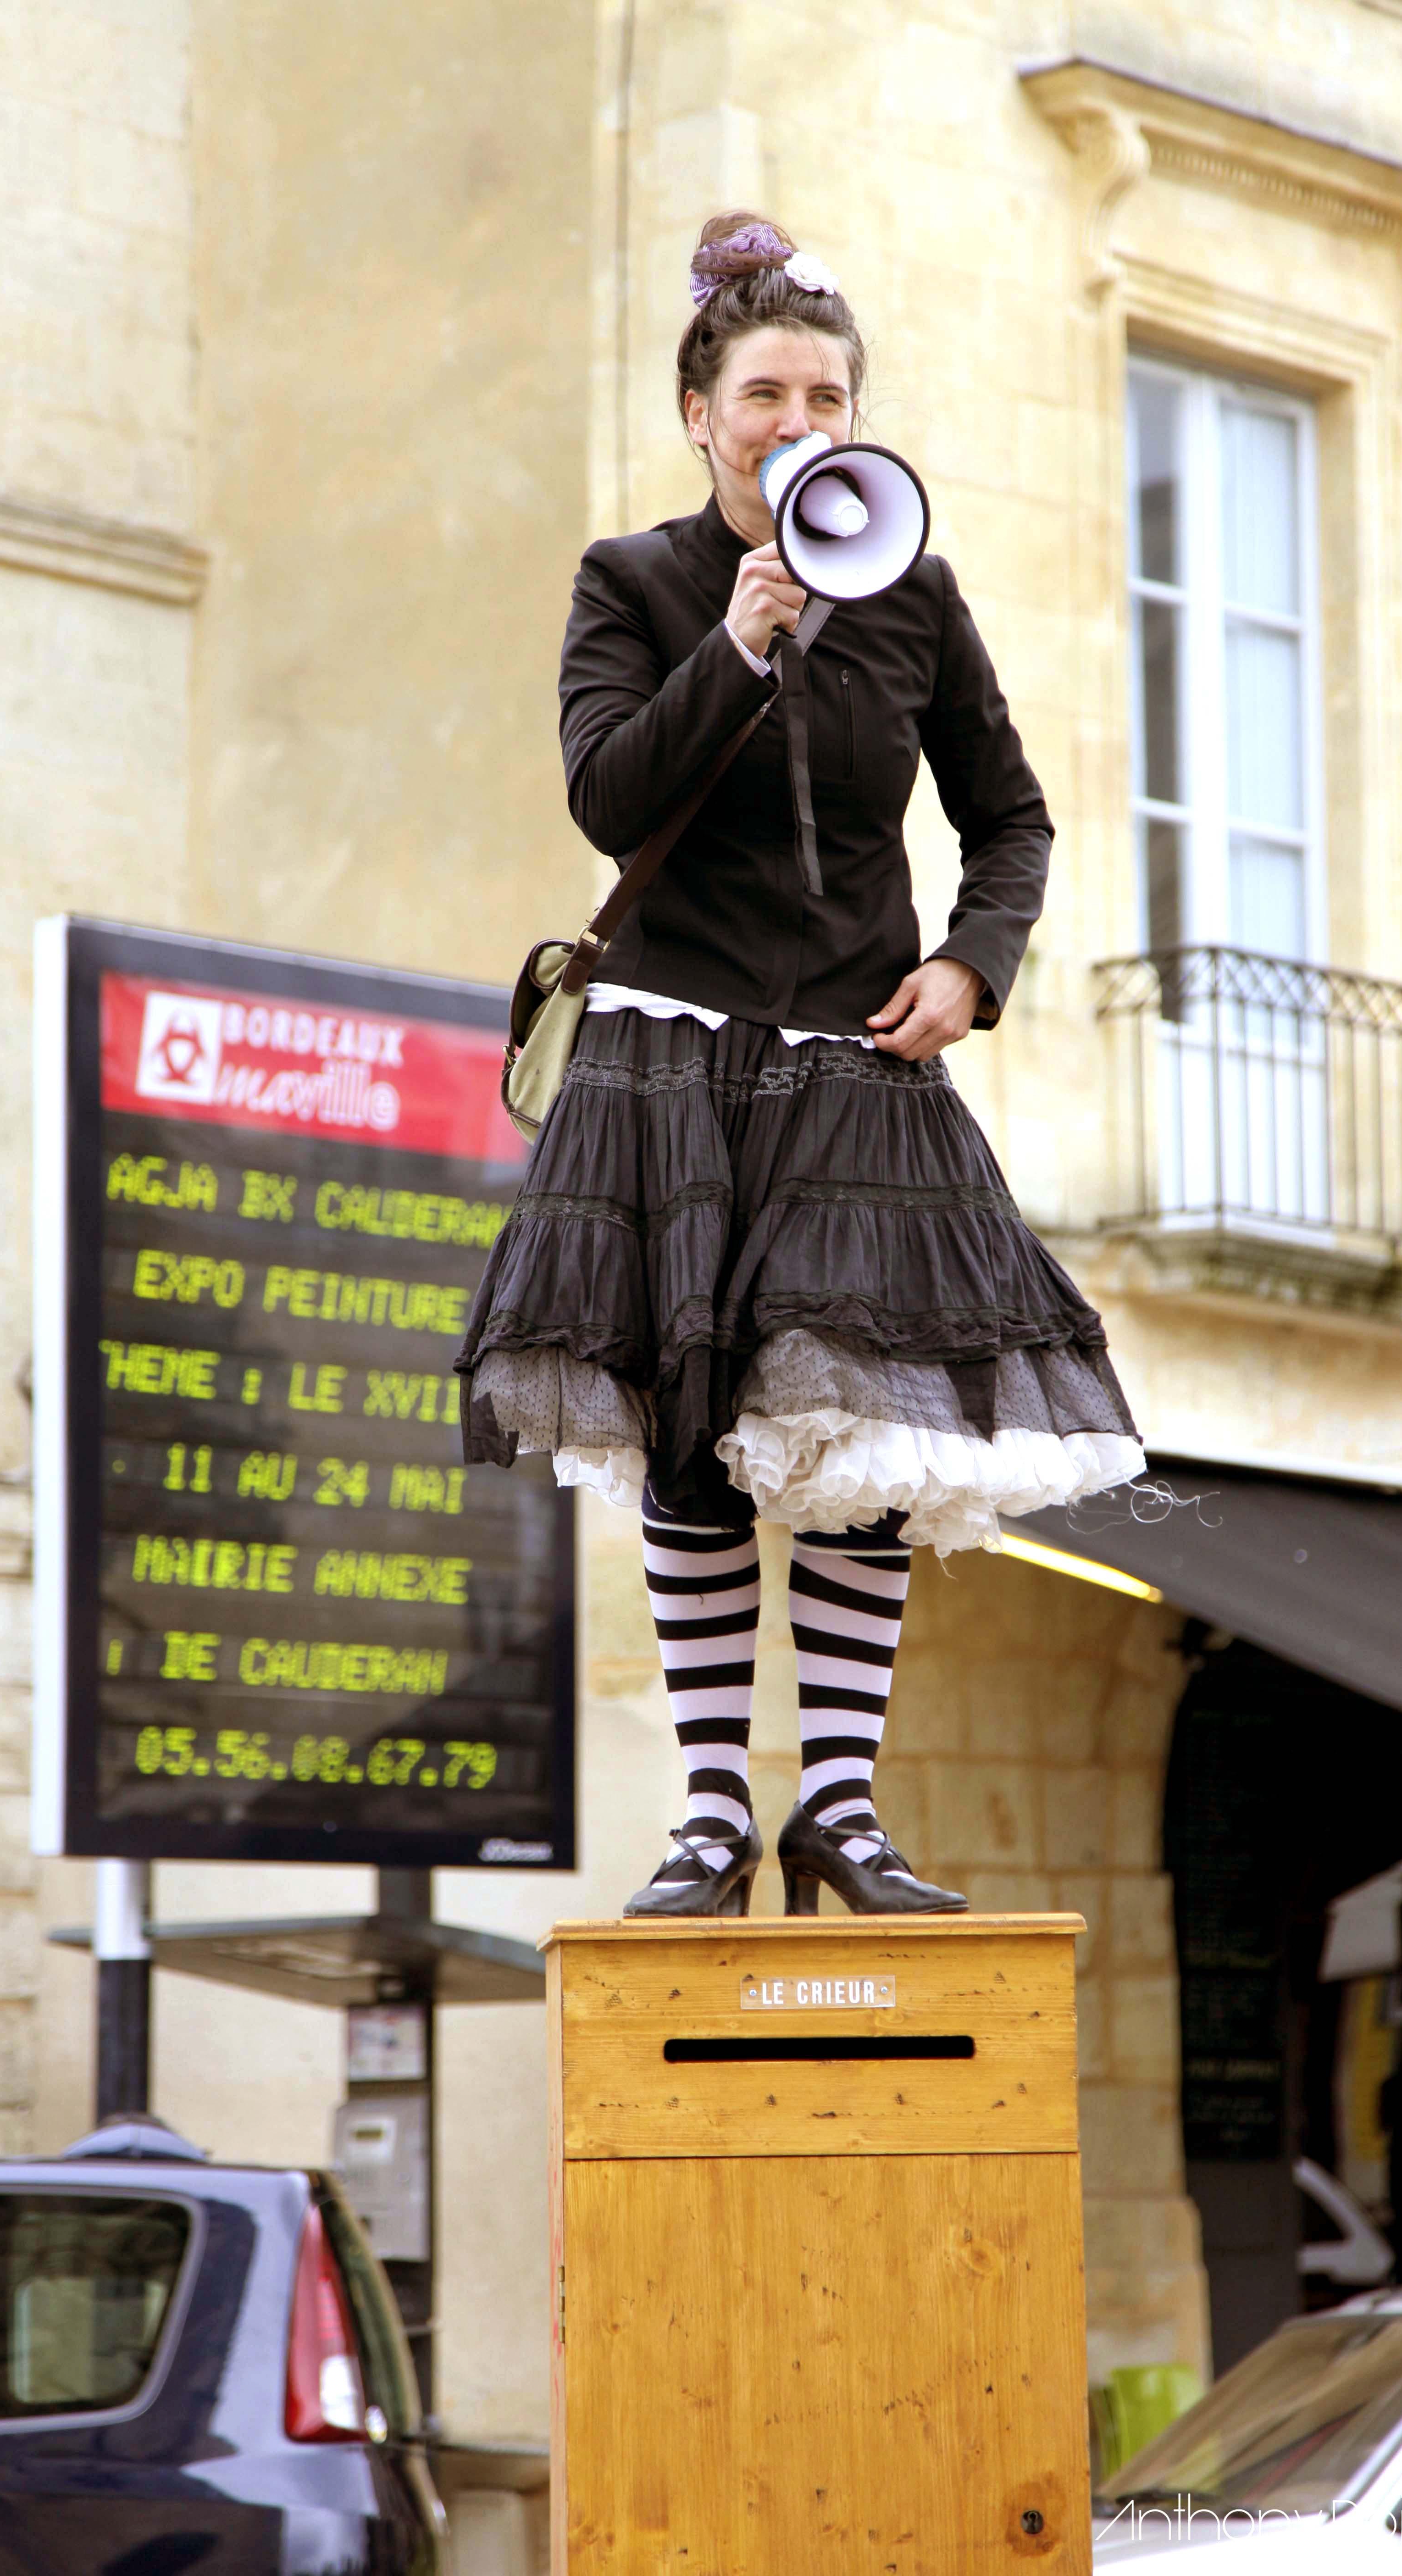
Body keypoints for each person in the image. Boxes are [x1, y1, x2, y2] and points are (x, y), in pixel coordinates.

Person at [456, 212, 1145, 1919]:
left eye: (826, 390)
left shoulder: (914, 587)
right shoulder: (636, 582)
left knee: (859, 1433)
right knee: (692, 1433)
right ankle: (710, 1814)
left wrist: (974, 968)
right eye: (766, 389)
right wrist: (740, 643)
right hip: (674, 1063)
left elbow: (1012, 817)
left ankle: (836, 1809)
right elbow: (610, 793)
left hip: (857, 1067)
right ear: (703, 412)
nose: (797, 414)